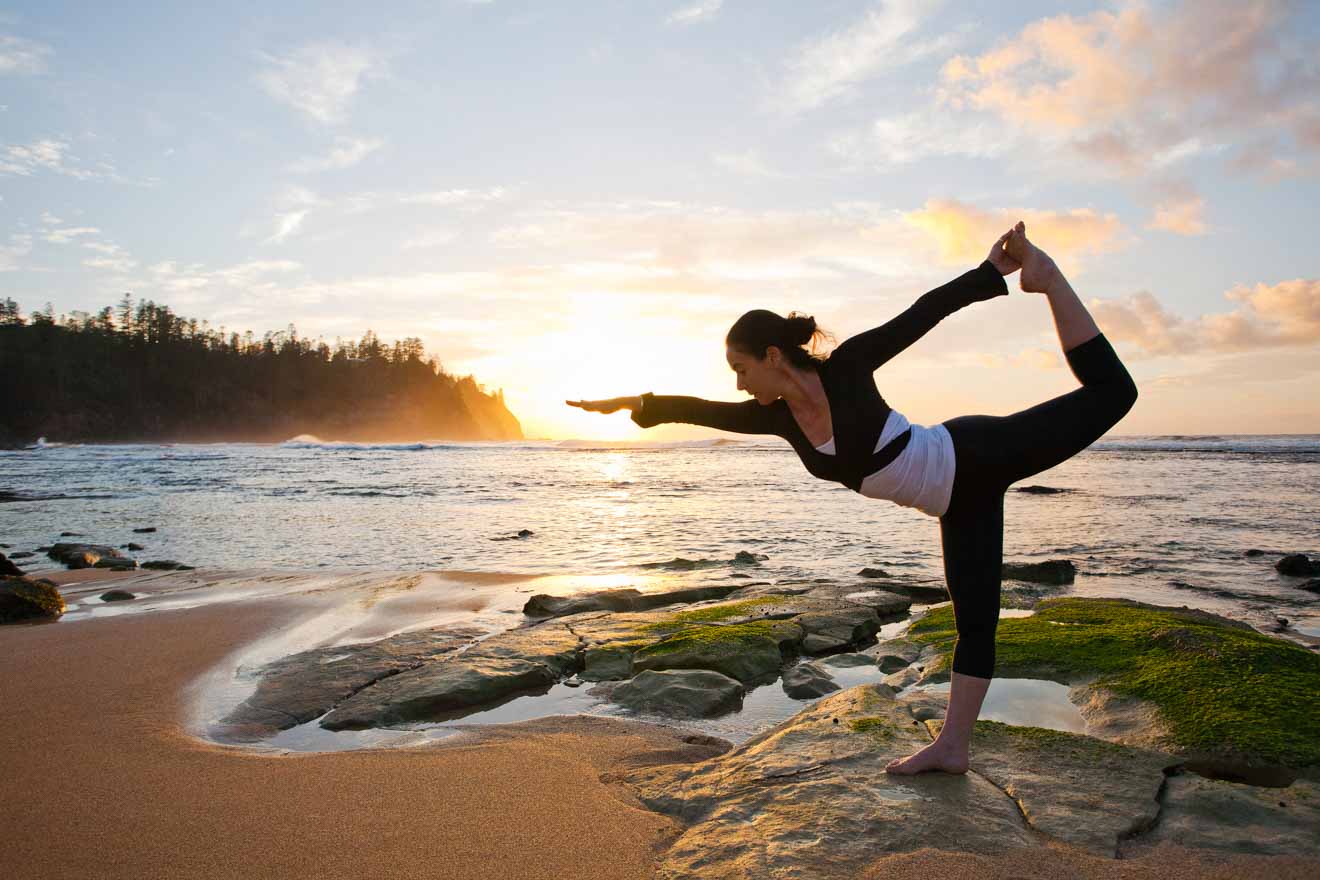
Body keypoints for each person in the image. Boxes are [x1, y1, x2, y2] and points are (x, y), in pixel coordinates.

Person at [566, 222, 1138, 775]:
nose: (738, 385)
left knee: (1115, 393)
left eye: (740, 369)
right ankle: (952, 748)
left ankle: (1050, 280)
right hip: (956, 504)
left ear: (771, 356)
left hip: (977, 454)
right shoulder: (777, 420)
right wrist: (626, 403)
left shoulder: (848, 368)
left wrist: (991, 271)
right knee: (976, 624)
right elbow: (692, 408)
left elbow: (923, 312)